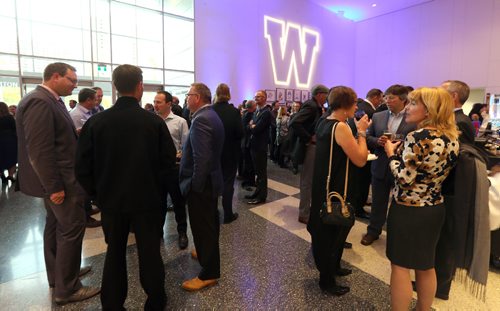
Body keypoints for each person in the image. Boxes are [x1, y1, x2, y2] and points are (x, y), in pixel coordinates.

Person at [75, 64, 176, 310]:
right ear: (140, 87)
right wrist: (158, 191)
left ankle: (112, 304)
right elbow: (167, 163)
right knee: (150, 253)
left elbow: (81, 167)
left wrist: (98, 194)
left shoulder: (96, 122)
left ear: (115, 87)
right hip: (148, 201)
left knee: (115, 253)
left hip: (111, 202)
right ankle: (155, 301)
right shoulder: (153, 123)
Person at [16, 62, 99, 304]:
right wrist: (54, 187)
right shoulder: (40, 101)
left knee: (55, 227)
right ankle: (68, 288)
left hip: (59, 180)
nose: (75, 85)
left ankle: (61, 275)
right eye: (71, 80)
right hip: (61, 182)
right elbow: (40, 151)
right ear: (55, 76)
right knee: (71, 228)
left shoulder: (49, 100)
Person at [384, 87, 459, 311]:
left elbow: (405, 179)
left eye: (413, 104)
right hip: (434, 207)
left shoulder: (417, 136)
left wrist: (390, 154)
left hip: (408, 209)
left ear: (428, 110)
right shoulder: (452, 137)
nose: (407, 108)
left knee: (400, 266)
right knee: (426, 265)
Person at [307, 86, 370, 296]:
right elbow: (360, 159)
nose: (356, 108)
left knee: (333, 230)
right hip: (336, 187)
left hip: (325, 185)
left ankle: (333, 267)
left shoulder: (324, 122)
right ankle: (326, 280)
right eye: (354, 104)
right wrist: (361, 132)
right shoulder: (341, 127)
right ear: (347, 106)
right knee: (333, 231)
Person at [179, 82, 224, 291]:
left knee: (203, 226)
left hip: (202, 185)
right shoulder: (211, 115)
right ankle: (205, 252)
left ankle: (209, 273)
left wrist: (194, 186)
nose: (187, 98)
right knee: (208, 224)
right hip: (210, 181)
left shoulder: (201, 119)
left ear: (197, 97)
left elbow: (202, 159)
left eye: (188, 95)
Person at [361, 84, 416, 246]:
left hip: (402, 166)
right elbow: (368, 136)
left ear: (403, 99)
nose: (387, 101)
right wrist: (377, 141)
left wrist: (399, 144)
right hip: (380, 164)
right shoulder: (379, 116)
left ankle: (397, 234)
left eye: (391, 98)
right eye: (386, 97)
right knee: (378, 201)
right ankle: (373, 231)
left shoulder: (412, 117)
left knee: (400, 204)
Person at [154, 90, 190, 249]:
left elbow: (186, 145)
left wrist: (180, 154)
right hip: (156, 169)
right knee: (158, 203)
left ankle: (182, 232)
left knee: (178, 202)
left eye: (159, 102)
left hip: (174, 168)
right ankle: (158, 233)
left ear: (169, 104)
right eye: (154, 102)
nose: (155, 105)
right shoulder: (151, 121)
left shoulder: (180, 122)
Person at [289, 84, 329, 223]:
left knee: (310, 180)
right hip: (310, 147)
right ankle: (304, 213)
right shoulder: (311, 106)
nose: (327, 97)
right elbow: (295, 122)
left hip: (314, 147)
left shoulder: (316, 106)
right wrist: (308, 137)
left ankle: (307, 210)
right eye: (326, 94)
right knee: (307, 181)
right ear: (319, 94)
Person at [69, 88, 101, 228]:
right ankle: (85, 216)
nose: (97, 101)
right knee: (83, 185)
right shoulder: (77, 115)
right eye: (95, 98)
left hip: (92, 154)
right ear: (88, 100)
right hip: (82, 155)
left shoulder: (91, 112)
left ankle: (88, 209)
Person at [212, 83, 243, 224]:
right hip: (230, 152)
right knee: (228, 183)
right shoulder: (234, 111)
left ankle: (213, 212)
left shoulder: (210, 110)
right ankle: (228, 214)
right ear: (229, 94)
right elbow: (240, 133)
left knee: (212, 182)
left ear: (216, 94)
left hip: (213, 153)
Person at [245, 90, 273, 204]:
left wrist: (252, 125)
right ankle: (257, 192)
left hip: (260, 147)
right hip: (254, 145)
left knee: (261, 173)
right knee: (257, 171)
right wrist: (252, 125)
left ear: (265, 98)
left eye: (259, 97)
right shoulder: (257, 111)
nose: (256, 98)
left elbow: (257, 128)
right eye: (255, 97)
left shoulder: (266, 112)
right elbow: (248, 126)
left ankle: (262, 197)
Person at [0, 102, 17, 184]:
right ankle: (10, 175)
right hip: (10, 140)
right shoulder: (10, 117)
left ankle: (2, 174)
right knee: (12, 158)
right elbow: (15, 128)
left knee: (1, 157)